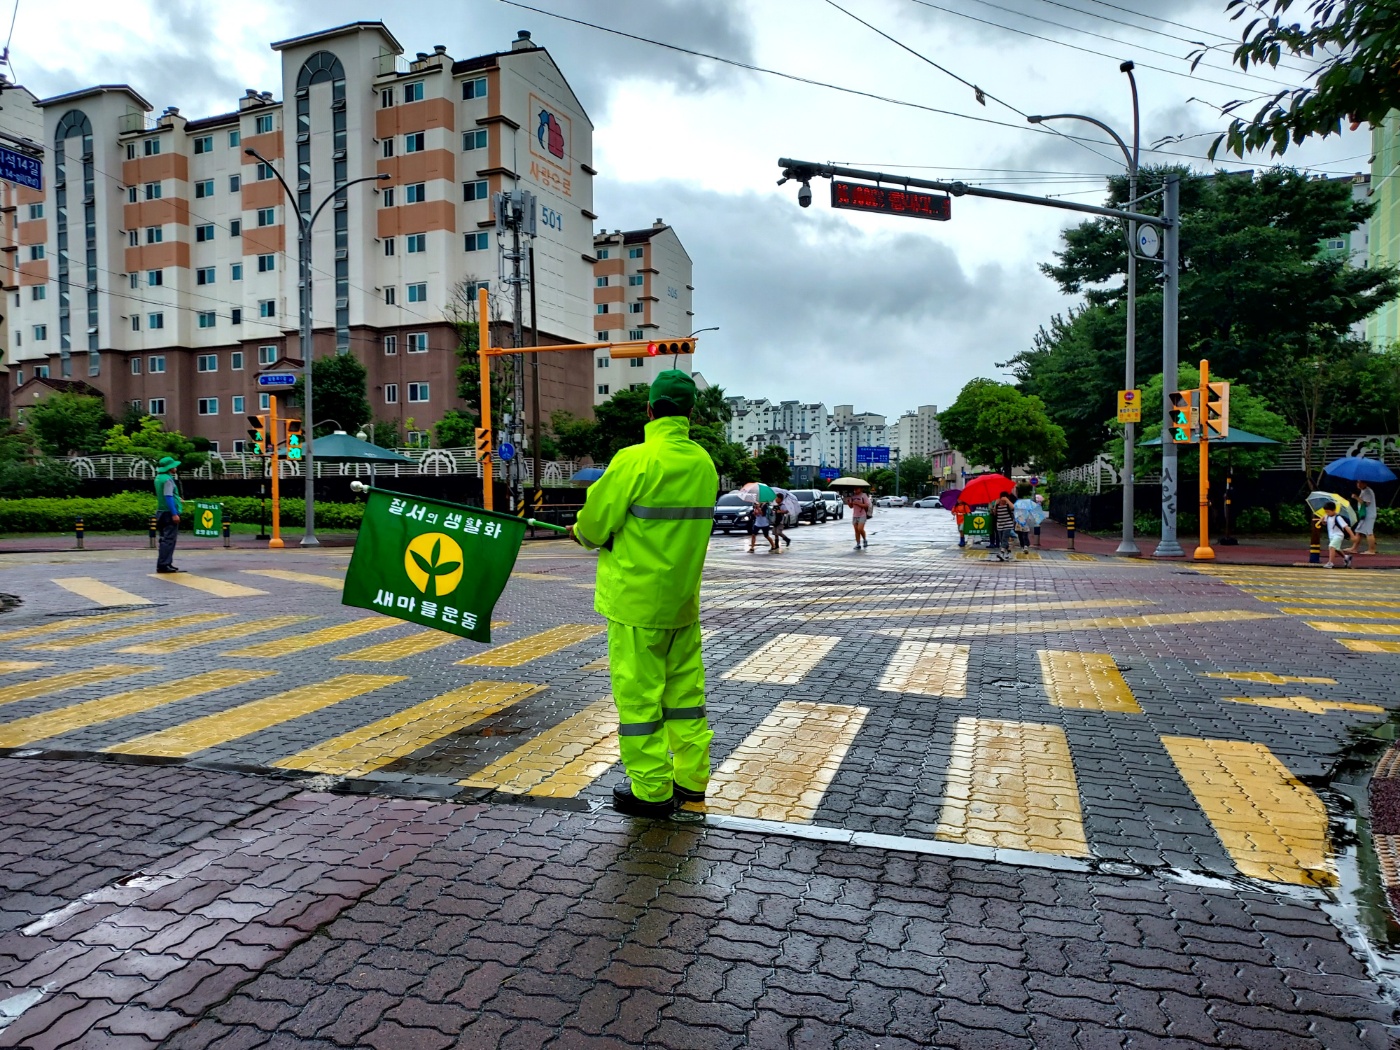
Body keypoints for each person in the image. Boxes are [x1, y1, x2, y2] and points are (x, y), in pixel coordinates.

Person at [569, 369, 718, 818]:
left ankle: (651, 791)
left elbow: (594, 525)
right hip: (681, 603)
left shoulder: (634, 460)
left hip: (634, 603)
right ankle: (692, 785)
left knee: (639, 702)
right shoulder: (703, 464)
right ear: (691, 413)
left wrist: (581, 532)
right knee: (686, 700)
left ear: (649, 409)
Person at [153, 455, 184, 574]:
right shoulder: (168, 480)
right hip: (168, 513)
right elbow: (168, 497)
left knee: (163, 539)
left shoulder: (158, 478)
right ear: (170, 467)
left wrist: (177, 498)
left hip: (160, 512)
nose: (176, 467)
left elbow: (166, 495)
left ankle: (165, 563)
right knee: (169, 540)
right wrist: (174, 514)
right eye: (174, 466)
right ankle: (164, 565)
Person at [1323, 502, 1355, 569]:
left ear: (1334, 510)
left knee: (1331, 547)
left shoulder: (1338, 517)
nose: (1327, 513)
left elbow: (1346, 527)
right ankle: (1346, 557)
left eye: (1328, 511)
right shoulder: (1327, 516)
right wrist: (1322, 521)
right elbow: (1325, 523)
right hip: (1331, 535)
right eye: (1326, 512)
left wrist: (1352, 535)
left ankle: (1330, 563)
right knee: (1336, 549)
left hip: (1338, 535)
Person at [1350, 481, 1378, 555]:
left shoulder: (1368, 491)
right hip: (1364, 515)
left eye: (1360, 483)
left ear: (1365, 483)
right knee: (1359, 531)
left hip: (1369, 515)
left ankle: (1371, 550)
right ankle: (1354, 548)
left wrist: (1356, 497)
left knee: (1369, 532)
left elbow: (1366, 503)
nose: (1358, 484)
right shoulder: (1364, 491)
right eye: (1357, 483)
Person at [993, 490, 1016, 561]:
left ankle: (1001, 553)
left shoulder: (1008, 505)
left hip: (1008, 525)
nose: (1002, 501)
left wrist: (1007, 500)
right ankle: (1008, 552)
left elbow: (1013, 507)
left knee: (1004, 539)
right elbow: (994, 513)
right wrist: (995, 504)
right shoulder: (997, 505)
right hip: (999, 525)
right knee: (1002, 540)